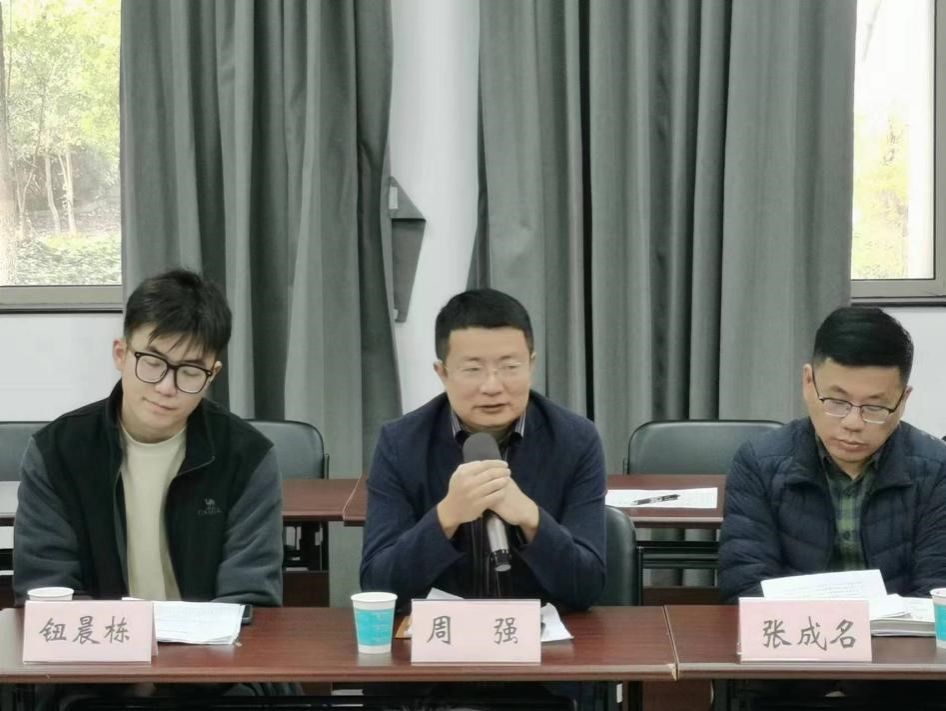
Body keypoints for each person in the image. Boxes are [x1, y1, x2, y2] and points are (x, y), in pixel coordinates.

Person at [13, 268, 284, 704]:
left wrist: (173, 674)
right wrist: (128, 672)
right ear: (121, 354)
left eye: (190, 371)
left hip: (217, 677)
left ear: (212, 374)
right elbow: (47, 594)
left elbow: (250, 601)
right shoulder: (58, 452)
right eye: (153, 363)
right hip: (94, 678)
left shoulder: (247, 458)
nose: (167, 387)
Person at [360, 288, 605, 709]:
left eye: (509, 367)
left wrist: (529, 517)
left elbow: (587, 586)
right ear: (442, 372)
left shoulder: (576, 441)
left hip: (545, 673)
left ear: (531, 365)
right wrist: (447, 516)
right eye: (473, 369)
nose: (493, 387)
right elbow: (379, 584)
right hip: (430, 674)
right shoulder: (400, 444)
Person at [719, 306, 946, 708]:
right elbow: (745, 590)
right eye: (837, 402)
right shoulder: (759, 463)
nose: (853, 423)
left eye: (875, 407)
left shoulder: (936, 469)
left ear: (903, 401)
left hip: (902, 682)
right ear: (808, 383)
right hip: (786, 677)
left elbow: (935, 597)